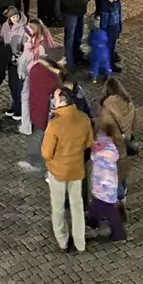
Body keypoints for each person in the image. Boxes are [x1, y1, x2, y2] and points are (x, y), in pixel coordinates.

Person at [42, 86, 93, 252]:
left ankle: (63, 241)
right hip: (76, 169)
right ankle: (80, 242)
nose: (53, 101)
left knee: (57, 208)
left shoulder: (55, 124)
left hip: (58, 171)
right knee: (77, 206)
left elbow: (46, 152)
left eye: (55, 99)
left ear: (62, 102)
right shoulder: (84, 118)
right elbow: (88, 143)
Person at [87, 114, 127, 243]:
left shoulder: (102, 151)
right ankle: (92, 223)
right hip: (106, 185)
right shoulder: (110, 147)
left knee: (108, 209)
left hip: (104, 186)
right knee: (97, 206)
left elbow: (96, 157)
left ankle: (119, 234)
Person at [57, 0, 90, 69]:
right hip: (71, 13)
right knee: (70, 37)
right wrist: (75, 4)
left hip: (80, 10)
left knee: (78, 35)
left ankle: (77, 56)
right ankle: (69, 61)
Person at [91, 0, 122, 78]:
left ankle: (111, 64)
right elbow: (103, 24)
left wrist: (119, 27)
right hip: (107, 32)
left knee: (112, 47)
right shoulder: (105, 8)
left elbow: (119, 14)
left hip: (114, 29)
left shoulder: (116, 3)